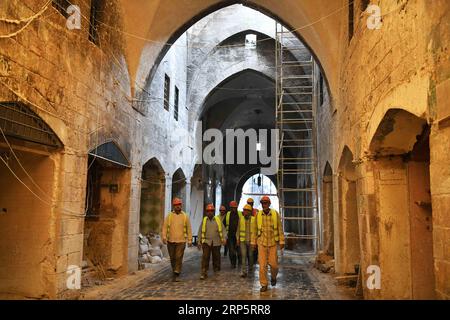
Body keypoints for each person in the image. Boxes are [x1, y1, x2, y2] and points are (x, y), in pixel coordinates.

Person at [251, 196, 285, 292]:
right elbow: (254, 230)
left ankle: (273, 277)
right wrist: (253, 242)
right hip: (261, 243)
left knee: (274, 265)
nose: (264, 205)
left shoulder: (275, 214)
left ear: (269, 204)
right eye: (262, 203)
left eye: (266, 203)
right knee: (262, 265)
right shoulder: (258, 215)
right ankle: (264, 284)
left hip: (273, 243)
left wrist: (282, 241)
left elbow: (280, 228)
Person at [162, 197, 193, 282]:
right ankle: (174, 270)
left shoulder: (185, 216)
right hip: (170, 240)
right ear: (173, 206)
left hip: (181, 241)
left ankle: (177, 272)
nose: (177, 206)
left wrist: (190, 240)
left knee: (178, 257)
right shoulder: (169, 216)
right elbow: (164, 227)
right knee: (172, 258)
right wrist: (164, 237)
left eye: (179, 205)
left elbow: (189, 229)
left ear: (181, 205)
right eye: (176, 205)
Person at [198, 204, 226, 280]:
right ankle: (204, 272)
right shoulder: (204, 221)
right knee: (205, 257)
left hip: (216, 242)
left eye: (211, 211)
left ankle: (216, 270)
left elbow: (223, 230)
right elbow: (200, 231)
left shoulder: (218, 220)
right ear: (206, 212)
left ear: (213, 211)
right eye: (208, 211)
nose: (209, 212)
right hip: (206, 242)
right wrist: (199, 241)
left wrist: (224, 238)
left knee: (216, 257)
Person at [237, 204, 256, 278]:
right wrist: (237, 239)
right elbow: (238, 229)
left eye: (246, 210)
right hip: (242, 241)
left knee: (250, 256)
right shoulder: (241, 218)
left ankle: (250, 268)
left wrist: (255, 241)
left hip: (251, 241)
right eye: (244, 210)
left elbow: (255, 231)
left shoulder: (254, 219)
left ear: (250, 211)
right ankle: (244, 271)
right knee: (243, 256)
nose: (244, 212)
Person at [224, 200, 242, 268]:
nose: (233, 209)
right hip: (230, 236)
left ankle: (240, 263)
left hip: (239, 236)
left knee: (239, 251)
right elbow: (224, 225)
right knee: (231, 251)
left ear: (236, 207)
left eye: (234, 207)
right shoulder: (228, 214)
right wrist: (224, 236)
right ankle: (233, 264)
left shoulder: (240, 214)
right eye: (232, 207)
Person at [247, 198, 258, 264]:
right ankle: (250, 261)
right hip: (247, 233)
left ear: (253, 204)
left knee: (255, 248)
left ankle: (254, 260)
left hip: (254, 232)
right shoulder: (244, 212)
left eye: (251, 203)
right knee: (248, 249)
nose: (250, 205)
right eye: (249, 203)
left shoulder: (255, 212)